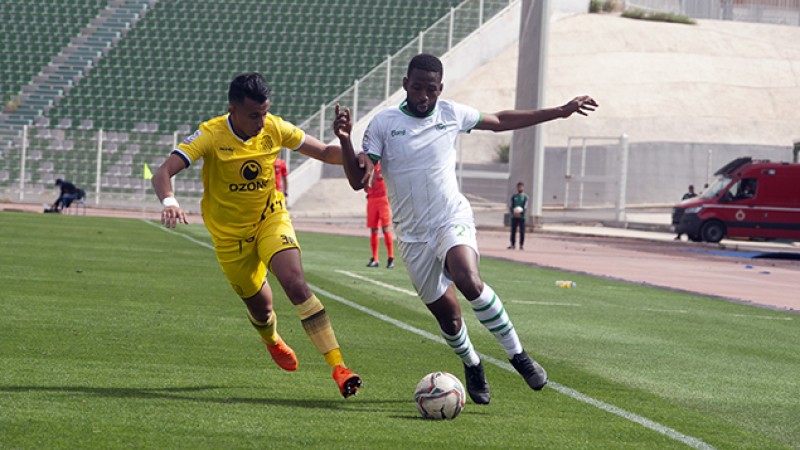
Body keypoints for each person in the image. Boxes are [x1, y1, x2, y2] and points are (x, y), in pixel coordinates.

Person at [336, 54, 598, 404]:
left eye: (431, 89)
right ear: (405, 85)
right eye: (417, 88)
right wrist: (345, 140)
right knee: (449, 316)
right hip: (412, 236)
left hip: (450, 218)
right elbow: (359, 181)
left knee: (468, 279)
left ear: (440, 89)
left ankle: (518, 355)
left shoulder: (451, 113)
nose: (424, 96)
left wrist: (559, 111)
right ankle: (472, 364)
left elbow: (501, 119)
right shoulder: (384, 124)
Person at [151, 72, 362, 398]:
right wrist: (170, 201)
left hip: (270, 219)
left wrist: (353, 148)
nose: (261, 121)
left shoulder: (275, 127)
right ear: (232, 109)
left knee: (295, 283)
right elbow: (164, 171)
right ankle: (272, 339)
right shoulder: (210, 134)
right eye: (253, 115)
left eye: (264, 112)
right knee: (262, 309)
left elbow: (323, 152)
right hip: (229, 237)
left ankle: (338, 366)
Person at [365, 161, 395, 268]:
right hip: (371, 199)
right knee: (373, 229)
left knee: (385, 228)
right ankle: (375, 258)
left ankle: (391, 257)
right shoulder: (369, 165)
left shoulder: (384, 165)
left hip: (383, 199)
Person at [508, 181, 528, 250]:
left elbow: (525, 207)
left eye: (521, 187)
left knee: (522, 231)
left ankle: (521, 245)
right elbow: (511, 205)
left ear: (523, 188)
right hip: (514, 216)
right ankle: (512, 244)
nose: (520, 188)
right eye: (519, 187)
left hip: (522, 217)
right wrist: (514, 212)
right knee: (513, 231)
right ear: (517, 187)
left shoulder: (525, 197)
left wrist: (521, 213)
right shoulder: (514, 197)